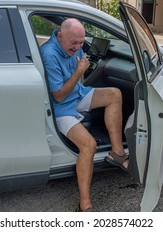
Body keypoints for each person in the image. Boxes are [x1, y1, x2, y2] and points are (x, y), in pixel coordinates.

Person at [40, 18, 129, 212]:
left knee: (114, 94)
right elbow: (59, 95)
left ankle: (117, 153)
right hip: (61, 108)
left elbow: (80, 82)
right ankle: (84, 203)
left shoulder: (75, 45)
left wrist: (81, 69)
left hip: (76, 95)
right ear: (60, 36)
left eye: (81, 42)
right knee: (89, 145)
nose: (79, 47)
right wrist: (80, 69)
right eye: (74, 43)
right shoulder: (49, 54)